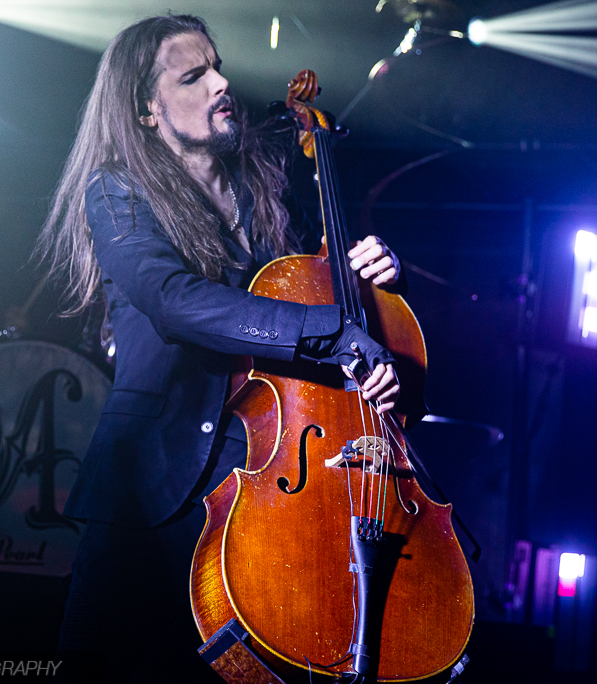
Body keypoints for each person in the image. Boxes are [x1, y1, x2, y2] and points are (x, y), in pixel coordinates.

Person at [36, 15, 405, 682]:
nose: (221, 83)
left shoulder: (268, 184)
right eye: (193, 76)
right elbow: (174, 301)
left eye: (217, 67)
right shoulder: (116, 189)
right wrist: (332, 333)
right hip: (151, 482)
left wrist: (369, 277)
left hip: (261, 477)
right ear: (147, 109)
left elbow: (310, 291)